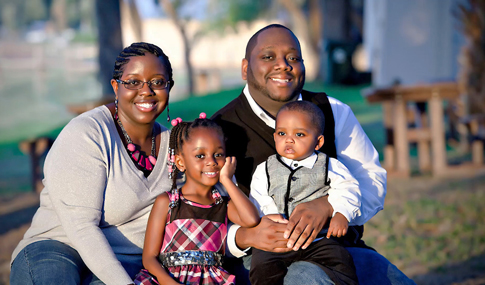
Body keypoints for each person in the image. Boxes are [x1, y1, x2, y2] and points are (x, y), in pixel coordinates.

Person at [211, 24, 416, 284]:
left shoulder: (332, 111)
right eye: (268, 57)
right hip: (260, 262)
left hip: (336, 250)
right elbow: (202, 213)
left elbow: (371, 180)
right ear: (244, 68)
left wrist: (329, 205)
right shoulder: (219, 131)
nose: (283, 65)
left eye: (293, 58)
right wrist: (243, 237)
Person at [10, 42, 175, 285]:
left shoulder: (176, 146)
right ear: (115, 86)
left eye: (158, 81)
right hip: (58, 247)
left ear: (169, 87)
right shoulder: (88, 133)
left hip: (130, 261)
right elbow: (81, 228)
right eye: (133, 82)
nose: (146, 91)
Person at [133, 116, 260, 285]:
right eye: (200, 155)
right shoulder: (168, 202)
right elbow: (149, 258)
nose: (212, 162)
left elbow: (251, 220)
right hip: (166, 280)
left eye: (218, 154)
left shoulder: (223, 204)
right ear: (180, 162)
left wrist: (227, 181)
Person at [249, 101, 360, 285]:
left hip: (318, 239)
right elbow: (258, 195)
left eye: (299, 134)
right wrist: (269, 215)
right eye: (282, 133)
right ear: (275, 137)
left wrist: (342, 213)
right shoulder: (266, 168)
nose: (289, 139)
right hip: (278, 239)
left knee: (342, 262)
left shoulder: (328, 165)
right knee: (261, 267)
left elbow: (348, 188)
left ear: (318, 142)